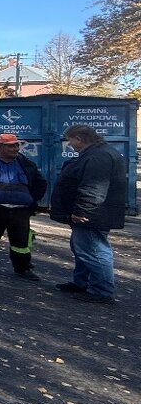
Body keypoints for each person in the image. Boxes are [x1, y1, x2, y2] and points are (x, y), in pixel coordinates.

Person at [49, 125, 126, 305]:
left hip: (93, 214)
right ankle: (81, 282)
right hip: (95, 212)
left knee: (94, 250)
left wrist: (82, 210)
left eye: (71, 140)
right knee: (83, 248)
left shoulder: (98, 156)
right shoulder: (98, 153)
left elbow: (94, 187)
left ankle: (102, 291)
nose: (70, 144)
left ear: (80, 138)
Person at [0, 133, 47, 281]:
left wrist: (32, 200)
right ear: (0, 147)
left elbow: (40, 182)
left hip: (20, 210)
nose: (15, 148)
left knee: (21, 242)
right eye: (11, 146)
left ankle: (23, 268)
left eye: (16, 145)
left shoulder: (26, 164)